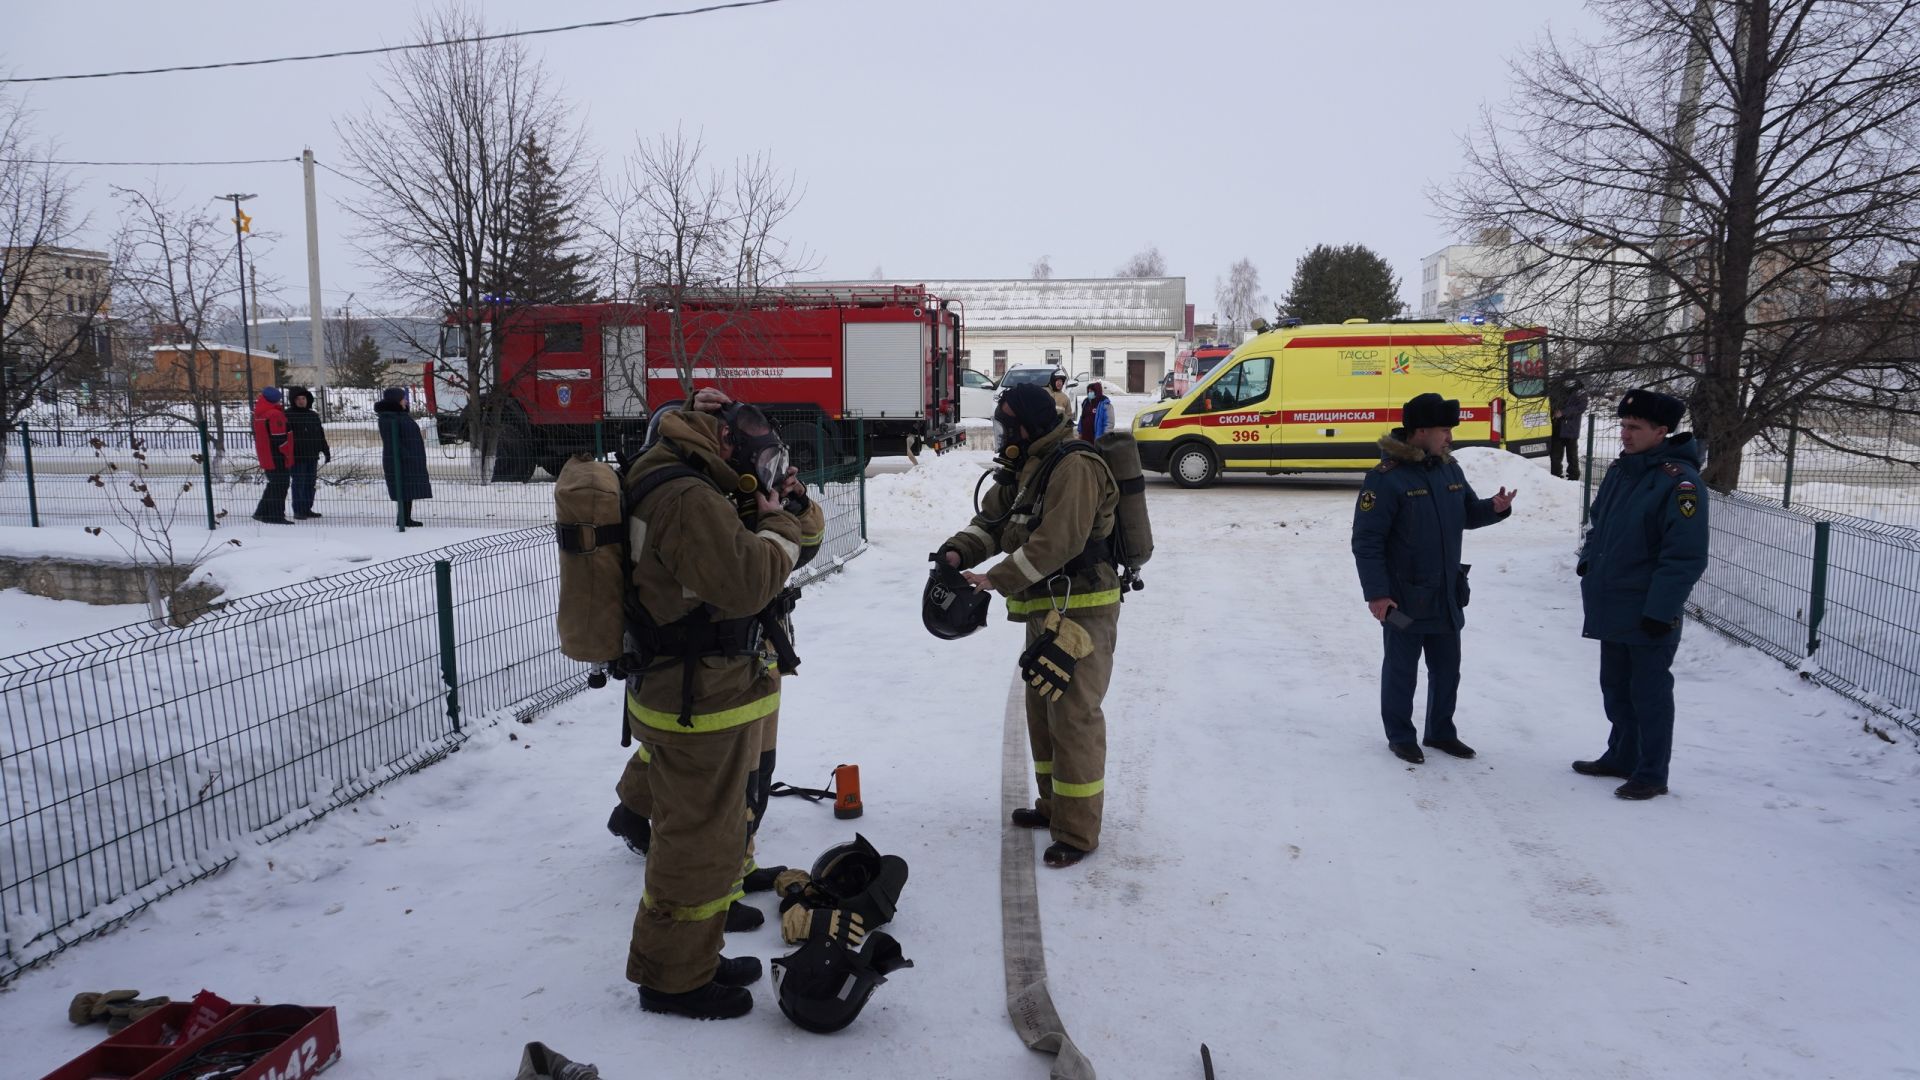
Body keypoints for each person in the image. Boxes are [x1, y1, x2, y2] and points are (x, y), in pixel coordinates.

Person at [619, 399, 812, 1020]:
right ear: (722, 441)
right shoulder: (686, 497)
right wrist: (776, 526)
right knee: (695, 843)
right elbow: (748, 580)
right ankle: (673, 980)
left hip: (693, 689)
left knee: (708, 832)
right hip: (696, 696)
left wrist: (784, 513)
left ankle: (693, 955)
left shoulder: (679, 475)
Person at [939, 383, 1120, 869]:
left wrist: (994, 577)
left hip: (1083, 608)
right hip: (1049, 607)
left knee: (1074, 717)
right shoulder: (1031, 467)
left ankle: (1078, 832)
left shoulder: (1075, 466)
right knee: (1042, 710)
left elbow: (1058, 542)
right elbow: (994, 522)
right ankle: (1053, 806)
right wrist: (957, 551)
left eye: (1008, 426)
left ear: (1030, 426)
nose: (1003, 436)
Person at [1351, 393, 1517, 765]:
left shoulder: (1450, 469)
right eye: (1444, 430)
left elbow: (1467, 514)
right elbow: (1367, 541)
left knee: (1447, 670)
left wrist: (1494, 508)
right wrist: (1377, 594)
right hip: (1403, 598)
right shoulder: (1386, 479)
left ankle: (1441, 732)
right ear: (1420, 431)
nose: (1449, 437)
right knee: (1401, 670)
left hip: (1445, 593)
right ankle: (1400, 735)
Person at [1574, 388, 1709, 800]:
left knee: (1648, 693)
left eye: (1635, 427)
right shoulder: (1623, 470)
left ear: (1661, 431)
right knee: (1614, 687)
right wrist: (1588, 560)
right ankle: (1621, 755)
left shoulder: (1680, 484)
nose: (1625, 434)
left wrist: (1660, 610)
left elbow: (1684, 556)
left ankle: (1652, 772)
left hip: (1648, 609)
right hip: (1613, 601)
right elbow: (1599, 522)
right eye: (1623, 426)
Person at [375, 387, 431, 527]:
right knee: (403, 488)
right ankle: (403, 519)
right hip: (401, 459)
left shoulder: (400, 415)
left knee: (408, 489)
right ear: (396, 400)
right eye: (403, 398)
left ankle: (405, 518)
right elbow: (392, 441)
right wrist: (407, 455)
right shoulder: (389, 418)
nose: (405, 400)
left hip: (409, 458)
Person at [284, 387, 332, 520]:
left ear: (307, 400)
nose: (301, 401)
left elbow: (320, 435)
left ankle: (306, 508)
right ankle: (298, 510)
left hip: (312, 455)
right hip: (297, 456)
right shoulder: (288, 415)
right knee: (299, 482)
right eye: (298, 399)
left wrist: (326, 450)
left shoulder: (313, 415)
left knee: (310, 483)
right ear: (293, 400)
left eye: (303, 398)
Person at [250, 387, 295, 525]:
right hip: (277, 455)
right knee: (281, 484)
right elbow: (279, 438)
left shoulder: (259, 413)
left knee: (273, 484)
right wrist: (286, 452)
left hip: (266, 454)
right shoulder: (274, 414)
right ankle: (275, 515)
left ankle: (262, 512)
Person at [1550, 376, 1589, 480]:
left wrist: (1563, 412)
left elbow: (1581, 407)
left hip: (1571, 428)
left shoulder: (1580, 391)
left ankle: (1574, 476)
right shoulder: (1557, 389)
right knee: (1555, 455)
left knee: (1572, 455)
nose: (1568, 382)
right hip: (1557, 427)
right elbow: (1551, 402)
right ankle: (1555, 475)